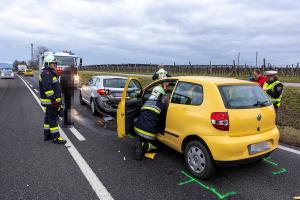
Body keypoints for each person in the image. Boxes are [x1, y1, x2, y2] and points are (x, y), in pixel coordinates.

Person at [134, 85, 167, 160]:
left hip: (137, 128)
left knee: (144, 133)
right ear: (160, 96)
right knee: (156, 147)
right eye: (162, 96)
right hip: (149, 133)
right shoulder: (161, 105)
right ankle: (143, 146)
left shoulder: (146, 102)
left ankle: (141, 141)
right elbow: (162, 121)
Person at [39, 55, 67, 144]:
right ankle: (56, 138)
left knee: (48, 119)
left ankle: (47, 135)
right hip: (51, 102)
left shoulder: (49, 73)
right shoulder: (47, 73)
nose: (55, 65)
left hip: (51, 102)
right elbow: (47, 88)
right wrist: (54, 100)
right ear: (47, 64)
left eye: (55, 63)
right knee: (53, 119)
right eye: (53, 63)